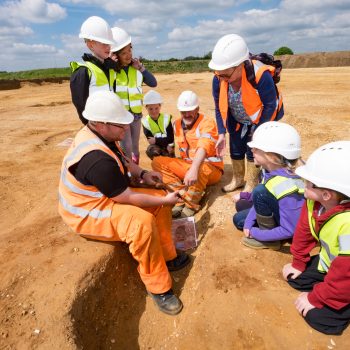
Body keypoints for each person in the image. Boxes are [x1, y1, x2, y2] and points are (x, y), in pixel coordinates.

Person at [58, 90, 190, 316]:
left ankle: (168, 255)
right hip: (86, 212)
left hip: (104, 196)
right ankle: (158, 288)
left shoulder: (103, 135)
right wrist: (168, 200)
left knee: (158, 200)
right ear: (100, 123)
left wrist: (144, 173)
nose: (126, 128)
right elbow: (125, 197)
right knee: (142, 223)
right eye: (120, 125)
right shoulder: (95, 158)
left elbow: (123, 160)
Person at [282, 141, 350, 335]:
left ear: (326, 194)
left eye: (309, 183)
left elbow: (346, 273)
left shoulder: (348, 226)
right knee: (297, 278)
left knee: (319, 319)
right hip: (334, 266)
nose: (304, 184)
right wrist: (298, 262)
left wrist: (315, 298)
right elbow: (303, 232)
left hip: (347, 275)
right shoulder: (315, 203)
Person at [208, 34, 284, 194]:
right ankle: (237, 179)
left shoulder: (260, 75)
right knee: (235, 147)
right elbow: (218, 106)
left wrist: (259, 131)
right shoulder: (219, 77)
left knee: (252, 149)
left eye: (226, 74)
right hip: (237, 119)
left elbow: (271, 105)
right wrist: (221, 133)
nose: (221, 78)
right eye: (218, 73)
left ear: (241, 65)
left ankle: (251, 183)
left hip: (261, 117)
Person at [232, 121, 305, 250]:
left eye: (256, 148)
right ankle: (269, 230)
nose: (252, 150)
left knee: (258, 193)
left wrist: (256, 233)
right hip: (280, 210)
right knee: (240, 213)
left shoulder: (288, 187)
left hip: (292, 227)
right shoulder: (270, 169)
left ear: (271, 156)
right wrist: (249, 224)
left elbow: (291, 229)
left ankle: (272, 241)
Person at [152, 91, 224, 218]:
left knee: (201, 167)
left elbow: (204, 146)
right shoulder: (177, 124)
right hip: (188, 166)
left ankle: (191, 204)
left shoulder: (207, 123)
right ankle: (180, 196)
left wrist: (194, 169)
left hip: (210, 168)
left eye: (190, 111)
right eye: (183, 112)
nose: (186, 114)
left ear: (197, 109)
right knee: (157, 162)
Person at [110, 27, 157, 164]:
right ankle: (129, 171)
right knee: (127, 146)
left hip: (136, 116)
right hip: (121, 117)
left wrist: (141, 68)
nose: (128, 55)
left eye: (129, 50)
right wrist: (110, 66)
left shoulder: (136, 70)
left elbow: (153, 83)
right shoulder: (113, 72)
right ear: (116, 55)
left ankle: (135, 170)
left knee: (135, 146)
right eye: (123, 52)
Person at [70, 16, 117, 125]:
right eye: (104, 43)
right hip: (95, 125)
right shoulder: (83, 71)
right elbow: (80, 103)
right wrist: (90, 125)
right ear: (90, 45)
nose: (108, 47)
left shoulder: (109, 68)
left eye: (109, 43)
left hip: (110, 122)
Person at [142, 90, 175, 160]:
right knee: (151, 151)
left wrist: (156, 140)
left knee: (170, 162)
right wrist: (161, 141)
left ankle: (169, 157)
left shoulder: (166, 119)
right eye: (150, 109)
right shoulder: (145, 122)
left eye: (156, 108)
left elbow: (171, 138)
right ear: (146, 108)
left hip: (169, 147)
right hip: (158, 148)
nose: (154, 111)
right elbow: (150, 141)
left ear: (160, 106)